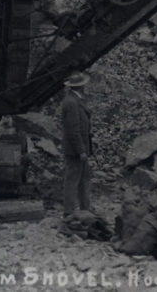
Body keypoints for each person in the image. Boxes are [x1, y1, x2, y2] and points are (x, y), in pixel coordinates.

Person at [61, 71, 92, 217]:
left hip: (81, 148)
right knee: (73, 179)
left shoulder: (76, 100)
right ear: (79, 87)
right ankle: (68, 211)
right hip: (75, 150)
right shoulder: (71, 103)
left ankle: (85, 208)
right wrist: (81, 150)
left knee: (84, 178)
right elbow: (73, 130)